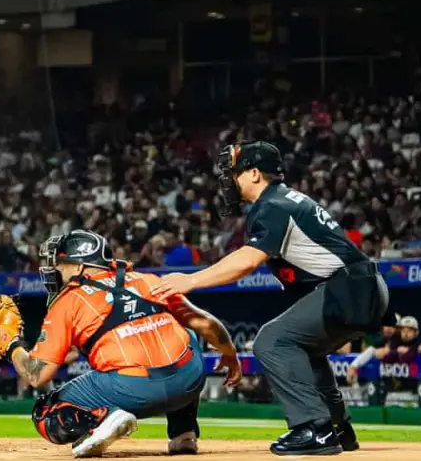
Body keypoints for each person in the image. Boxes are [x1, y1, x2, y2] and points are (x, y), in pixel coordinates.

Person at [153, 142, 389, 456]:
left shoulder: (273, 204)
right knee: (306, 351)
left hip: (350, 288)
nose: (230, 181)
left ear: (254, 173)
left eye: (235, 174)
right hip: (361, 285)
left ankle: (314, 430)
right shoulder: (285, 199)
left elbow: (247, 260)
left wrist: (191, 280)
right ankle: (339, 428)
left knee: (272, 341)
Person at [0, 229, 241, 458]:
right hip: (189, 379)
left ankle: (103, 419)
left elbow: (37, 373)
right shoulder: (147, 280)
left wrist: (11, 345)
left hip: (133, 390)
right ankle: (184, 434)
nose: (55, 269)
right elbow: (206, 324)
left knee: (45, 411)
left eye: (60, 264)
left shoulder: (69, 300)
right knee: (186, 335)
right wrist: (229, 354)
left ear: (78, 266)